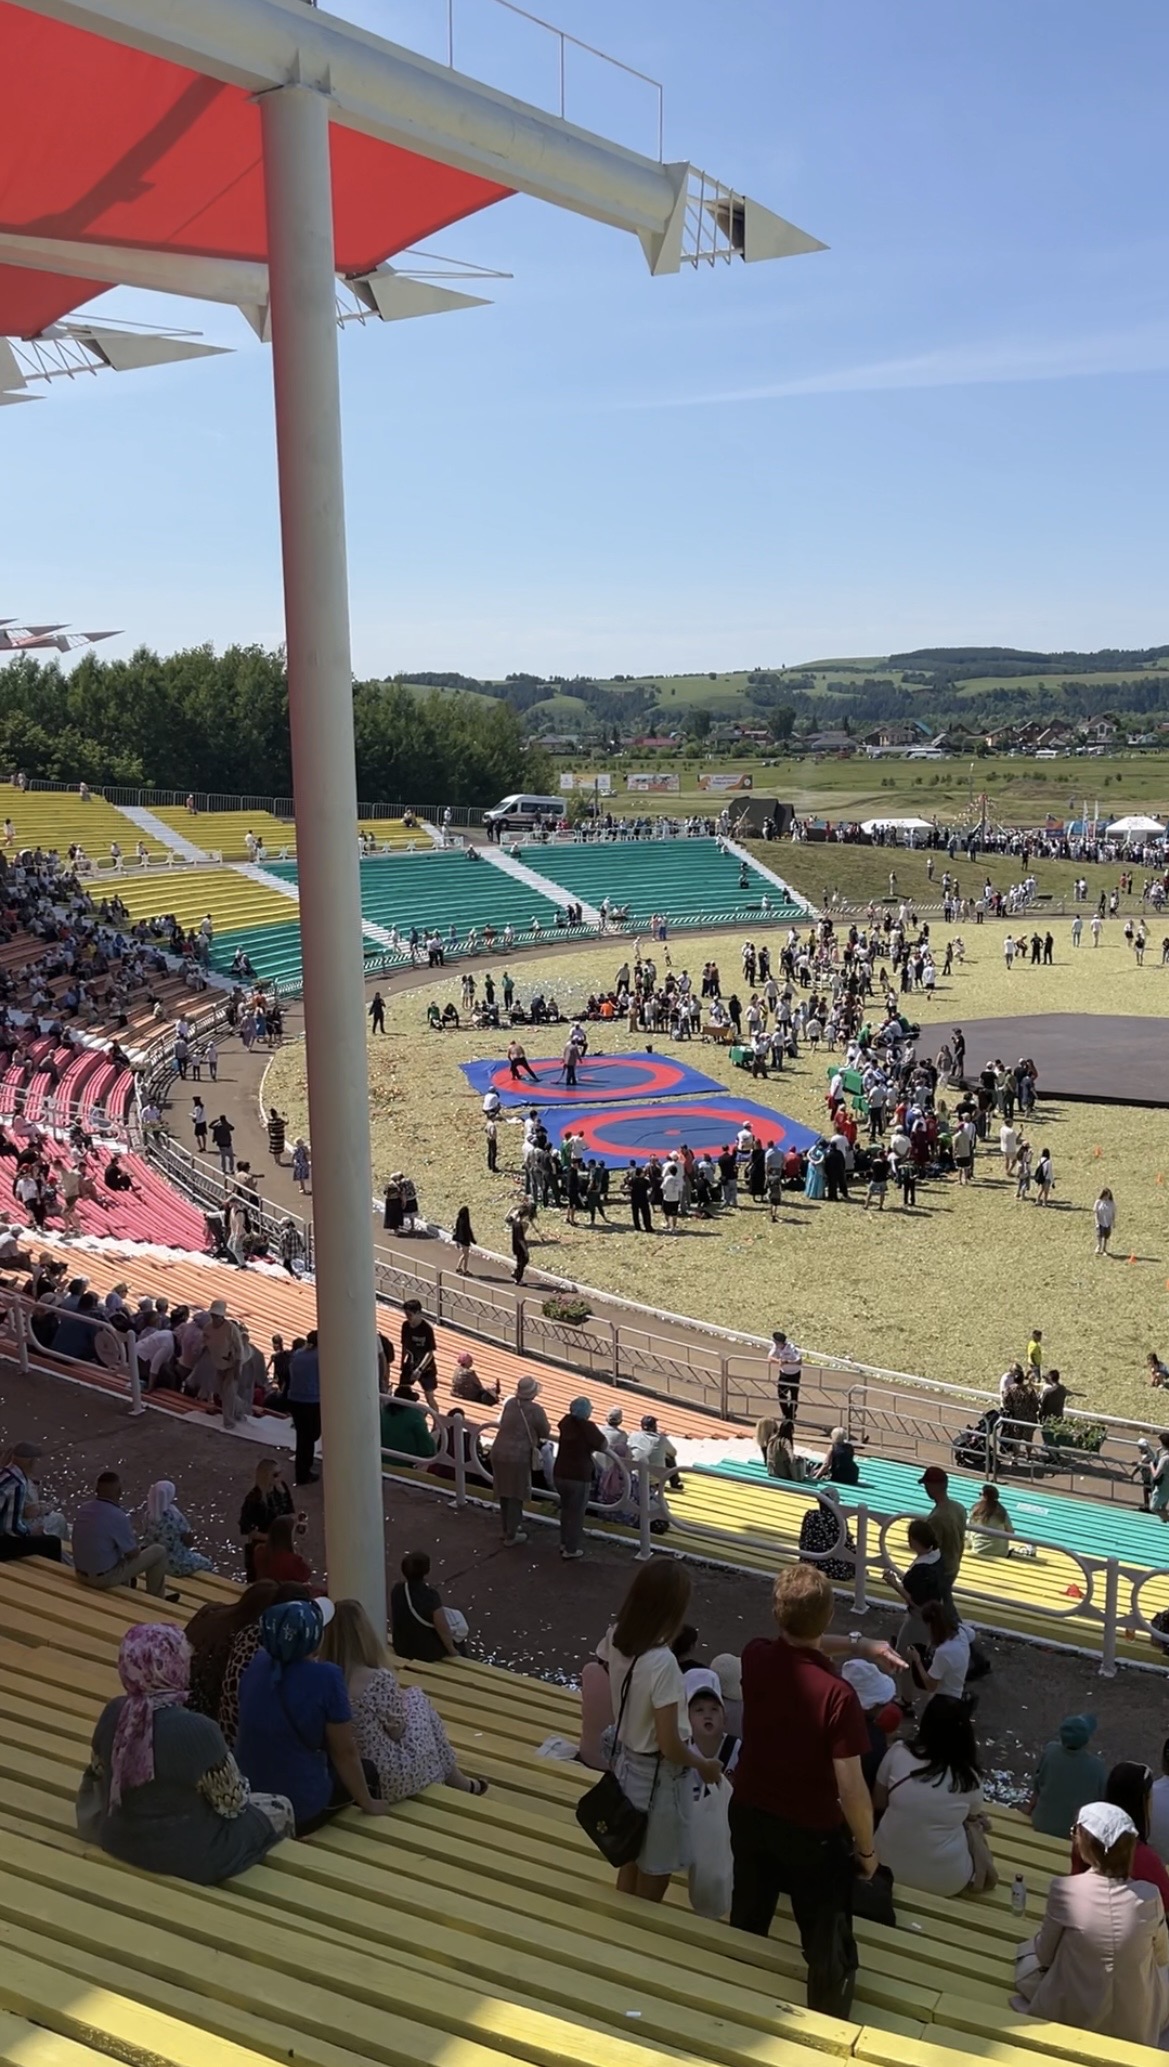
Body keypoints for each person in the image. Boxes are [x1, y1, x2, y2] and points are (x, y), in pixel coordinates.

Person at [729, 1564, 904, 2019]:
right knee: (825, 1938)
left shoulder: (754, 1656)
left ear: (776, 1613)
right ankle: (826, 2018)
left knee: (748, 1916)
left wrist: (860, 1646)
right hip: (810, 1832)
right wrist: (867, 1851)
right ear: (828, 1617)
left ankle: (733, 2002)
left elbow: (798, 1645)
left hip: (750, 1812)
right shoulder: (839, 1696)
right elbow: (852, 1789)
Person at [76, 1624, 294, 1881]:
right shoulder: (197, 1730)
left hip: (119, 1840)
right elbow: (232, 1804)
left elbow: (98, 1772)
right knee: (281, 1806)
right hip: (190, 1857)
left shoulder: (114, 1712)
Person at [594, 1559, 723, 1904]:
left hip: (626, 1764)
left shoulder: (616, 1637)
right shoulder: (663, 1663)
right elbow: (669, 1744)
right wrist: (703, 1765)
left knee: (630, 1853)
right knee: (656, 1867)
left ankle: (623, 1923)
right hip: (659, 1778)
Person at [1013, 1801, 1169, 2047]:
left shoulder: (1065, 1890)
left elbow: (1045, 1955)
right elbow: (1162, 1956)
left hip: (1076, 2014)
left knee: (1026, 1958)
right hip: (1135, 2022)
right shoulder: (1149, 1895)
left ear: (1086, 1846)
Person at [234, 1598, 389, 1834]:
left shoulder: (258, 1663)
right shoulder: (326, 1677)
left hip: (251, 1794)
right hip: (299, 1806)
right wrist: (368, 1803)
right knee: (368, 1771)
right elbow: (344, 1752)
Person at [319, 1598, 487, 1802]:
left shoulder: (321, 1679)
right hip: (389, 1776)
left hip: (351, 1775)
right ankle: (458, 1781)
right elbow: (398, 1730)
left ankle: (458, 1780)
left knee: (412, 1700)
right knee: (417, 1696)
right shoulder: (376, 1679)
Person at [873, 1695, 987, 1897]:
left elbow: (879, 1802)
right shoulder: (970, 1778)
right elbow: (972, 1817)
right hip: (946, 1880)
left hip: (884, 1865)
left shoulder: (898, 1752)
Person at [73, 1472, 174, 1599]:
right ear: (119, 1492)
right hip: (102, 1579)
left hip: (80, 1574)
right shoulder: (117, 1516)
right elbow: (132, 1554)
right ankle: (157, 1599)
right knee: (159, 1551)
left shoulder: (83, 1508)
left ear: (96, 1490)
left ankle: (129, 1585)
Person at [490, 1375, 550, 1546]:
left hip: (499, 1450)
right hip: (518, 1456)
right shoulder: (536, 1410)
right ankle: (512, 1533)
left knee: (504, 1492)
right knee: (516, 1494)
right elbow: (545, 1431)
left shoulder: (510, 1403)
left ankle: (506, 1528)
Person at [1027, 1715, 1107, 1840]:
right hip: (1074, 1832)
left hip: (1042, 1823)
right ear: (1086, 1739)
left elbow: (1038, 1786)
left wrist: (1029, 1809)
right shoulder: (1097, 1766)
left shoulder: (1050, 1752)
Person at [553, 1397, 607, 1560]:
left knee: (566, 1510)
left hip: (560, 1471)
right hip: (579, 1475)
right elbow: (603, 1444)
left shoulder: (565, 1422)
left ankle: (564, 1542)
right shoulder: (588, 1427)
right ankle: (571, 1549)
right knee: (576, 1514)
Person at [389, 1550, 467, 1662]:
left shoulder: (398, 1589)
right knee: (458, 1639)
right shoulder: (430, 1596)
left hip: (401, 1646)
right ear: (427, 1570)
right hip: (424, 1652)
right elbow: (441, 1626)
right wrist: (452, 1650)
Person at [0, 1440, 62, 1563]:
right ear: (32, 1461)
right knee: (52, 1543)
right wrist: (31, 1532)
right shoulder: (17, 1483)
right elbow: (12, 1529)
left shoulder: (3, 1473)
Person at [238, 1458, 296, 1583]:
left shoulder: (281, 1489)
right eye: (275, 1475)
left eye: (280, 1473)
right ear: (266, 1476)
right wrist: (270, 1537)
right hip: (264, 1545)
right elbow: (247, 1528)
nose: (279, 1478)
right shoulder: (254, 1499)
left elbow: (290, 1510)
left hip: (281, 1542)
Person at [142, 1480, 213, 1579]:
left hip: (151, 1561)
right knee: (207, 1564)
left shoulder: (148, 1516)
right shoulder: (174, 1516)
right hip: (174, 1564)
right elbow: (188, 1541)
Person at [909, 1597, 973, 1704]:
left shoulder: (943, 1652)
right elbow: (972, 1634)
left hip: (943, 1700)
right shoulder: (961, 1631)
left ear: (931, 1626)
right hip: (957, 1688)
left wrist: (917, 1660)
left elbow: (930, 1686)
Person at [919, 1465, 966, 1597]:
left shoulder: (936, 1518)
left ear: (931, 1486)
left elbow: (930, 1552)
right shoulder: (959, 1508)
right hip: (953, 1565)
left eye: (926, 1485)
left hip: (939, 1572)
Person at [287, 1330, 321, 1485]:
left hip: (295, 1399)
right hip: (311, 1400)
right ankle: (304, 1471)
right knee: (310, 1436)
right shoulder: (320, 1357)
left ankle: (302, 1471)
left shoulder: (298, 1354)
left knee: (303, 1437)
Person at [253, 1512, 312, 1585]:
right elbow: (306, 1574)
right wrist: (296, 1551)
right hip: (285, 1591)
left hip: (264, 1589)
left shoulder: (260, 1551)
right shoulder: (293, 1560)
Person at [968, 1483, 1014, 1556]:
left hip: (979, 1549)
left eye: (980, 1494)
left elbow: (968, 1528)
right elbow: (1011, 1532)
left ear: (985, 1496)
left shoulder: (976, 1510)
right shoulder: (1002, 1511)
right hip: (1000, 1552)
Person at [1151, 1431, 1169, 1523]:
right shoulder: (1165, 1456)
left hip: (1163, 1486)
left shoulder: (1165, 1459)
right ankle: (1164, 1518)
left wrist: (1151, 1465)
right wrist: (1157, 1454)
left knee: (1153, 1507)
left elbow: (1156, 1475)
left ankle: (1166, 1518)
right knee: (1163, 1506)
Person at [452, 1204, 475, 1276]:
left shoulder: (459, 1219)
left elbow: (457, 1230)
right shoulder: (465, 1221)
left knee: (465, 1255)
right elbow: (468, 1231)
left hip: (460, 1241)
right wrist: (472, 1240)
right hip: (465, 1241)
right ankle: (462, 1269)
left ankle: (460, 1268)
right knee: (465, 1255)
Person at [1093, 1187, 1115, 1255]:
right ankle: (1099, 1246)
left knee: (1106, 1236)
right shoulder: (1098, 1202)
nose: (1107, 1197)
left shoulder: (1111, 1203)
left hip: (1108, 1222)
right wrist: (1097, 1222)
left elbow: (1113, 1213)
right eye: (1106, 1195)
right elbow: (1096, 1212)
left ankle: (1104, 1249)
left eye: (1108, 1195)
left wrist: (1113, 1222)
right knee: (1099, 1234)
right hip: (1100, 1221)